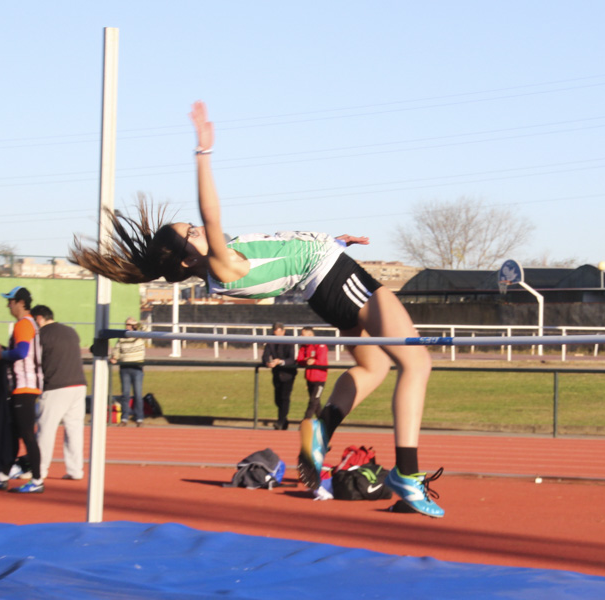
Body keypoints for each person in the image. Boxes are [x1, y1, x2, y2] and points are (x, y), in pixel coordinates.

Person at [70, 101, 443, 518]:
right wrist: (203, 154)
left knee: (374, 367)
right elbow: (211, 212)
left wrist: (330, 243)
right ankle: (406, 475)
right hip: (335, 280)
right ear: (187, 261)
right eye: (190, 233)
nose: (197, 229)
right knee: (417, 363)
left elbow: (282, 249)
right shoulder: (221, 264)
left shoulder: (223, 258)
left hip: (326, 282)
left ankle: (322, 429)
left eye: (192, 226)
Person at [0, 286, 45, 493]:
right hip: (24, 387)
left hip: (24, 387)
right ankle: (2, 475)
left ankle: (37, 481)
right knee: (15, 433)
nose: (7, 305)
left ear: (20, 302)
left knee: (26, 434)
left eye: (10, 301)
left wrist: (2, 355)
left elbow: (22, 352)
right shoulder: (29, 324)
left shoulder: (23, 324)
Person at [31, 304, 87, 480]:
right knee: (74, 429)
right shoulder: (71, 331)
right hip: (78, 384)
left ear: (39, 318)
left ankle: (39, 469)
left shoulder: (42, 335)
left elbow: (35, 360)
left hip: (56, 385)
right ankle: (75, 469)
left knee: (46, 430)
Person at [109, 316, 146, 427]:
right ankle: (124, 418)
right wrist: (114, 357)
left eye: (129, 325)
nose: (127, 327)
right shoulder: (122, 337)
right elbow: (117, 349)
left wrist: (135, 323)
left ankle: (139, 417)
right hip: (125, 368)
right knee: (125, 394)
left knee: (138, 394)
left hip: (137, 368)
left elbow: (143, 329)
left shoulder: (140, 336)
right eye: (126, 325)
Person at [260, 322, 297, 430]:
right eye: (274, 333)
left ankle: (280, 422)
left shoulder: (290, 341)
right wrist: (268, 362)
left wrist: (280, 361)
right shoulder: (270, 341)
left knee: (285, 398)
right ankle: (284, 421)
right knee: (277, 399)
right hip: (276, 373)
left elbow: (291, 359)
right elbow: (265, 356)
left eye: (278, 333)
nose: (276, 336)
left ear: (283, 331)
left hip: (288, 374)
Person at [295, 326, 328, 420]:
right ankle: (324, 423)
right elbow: (299, 359)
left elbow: (321, 360)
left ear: (310, 334)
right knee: (316, 404)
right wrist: (307, 361)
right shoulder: (304, 346)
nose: (300, 336)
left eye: (302, 334)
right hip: (309, 378)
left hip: (319, 379)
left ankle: (305, 422)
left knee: (313, 402)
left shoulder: (320, 345)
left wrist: (313, 361)